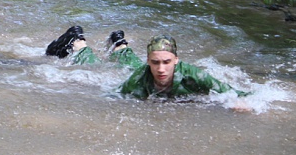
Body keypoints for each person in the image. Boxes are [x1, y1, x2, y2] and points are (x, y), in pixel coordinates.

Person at [46, 27, 248, 100]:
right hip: (135, 73)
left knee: (132, 64)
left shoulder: (195, 75)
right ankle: (79, 43)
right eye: (155, 62)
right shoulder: (139, 77)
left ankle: (119, 45)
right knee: (95, 66)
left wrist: (240, 102)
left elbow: (232, 92)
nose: (161, 69)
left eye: (167, 62)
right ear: (149, 61)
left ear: (176, 60)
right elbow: (113, 95)